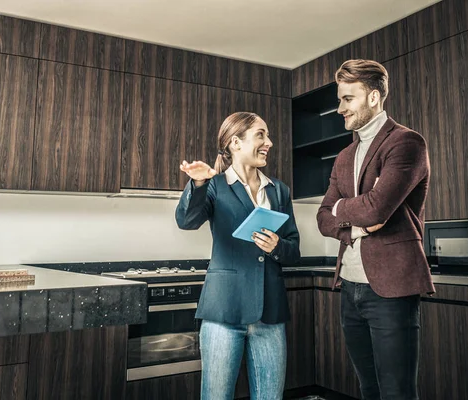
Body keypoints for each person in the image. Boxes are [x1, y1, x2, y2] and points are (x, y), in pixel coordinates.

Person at [316, 59, 435, 400]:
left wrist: (348, 207)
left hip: (391, 290)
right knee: (367, 388)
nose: (340, 109)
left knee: (396, 392)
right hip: (350, 288)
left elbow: (378, 208)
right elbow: (324, 216)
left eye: (347, 99)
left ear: (372, 97)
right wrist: (355, 226)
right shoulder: (344, 156)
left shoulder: (406, 143)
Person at [176, 111, 300, 400]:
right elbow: (186, 221)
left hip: (270, 314)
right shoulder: (215, 185)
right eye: (261, 135)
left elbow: (294, 249)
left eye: (268, 135)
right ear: (235, 142)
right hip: (223, 312)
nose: (269, 142)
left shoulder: (278, 191)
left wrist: (276, 246)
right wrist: (197, 185)